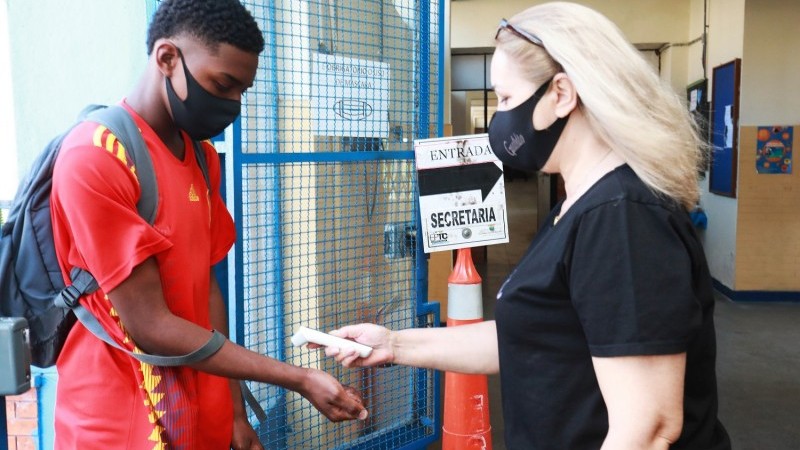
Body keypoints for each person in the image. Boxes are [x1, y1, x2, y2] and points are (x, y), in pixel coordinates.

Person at [321, 3, 731, 449]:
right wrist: (395, 345)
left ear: (562, 94)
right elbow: (528, 333)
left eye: (509, 99)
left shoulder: (621, 218)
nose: (501, 119)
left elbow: (647, 428)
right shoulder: (579, 205)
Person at [50, 1, 366, 449]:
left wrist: (235, 412)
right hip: (120, 421)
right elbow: (150, 324)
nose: (234, 103)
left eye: (243, 90)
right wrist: (298, 378)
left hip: (200, 412)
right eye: (224, 84)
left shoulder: (201, 156)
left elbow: (207, 286)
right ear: (167, 59)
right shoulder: (97, 156)